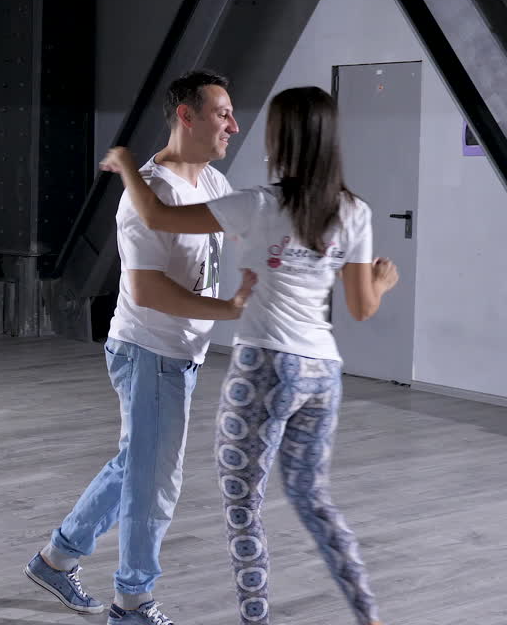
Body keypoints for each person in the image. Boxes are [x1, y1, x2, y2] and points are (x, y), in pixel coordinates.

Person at [100, 85, 399, 625]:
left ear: (281, 139)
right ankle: (369, 615)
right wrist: (381, 281)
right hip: (322, 372)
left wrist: (125, 164)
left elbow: (158, 216)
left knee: (243, 508)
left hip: (264, 367)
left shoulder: (258, 204)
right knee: (314, 500)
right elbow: (361, 308)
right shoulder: (356, 211)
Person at [24, 70, 256, 625]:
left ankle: (57, 559)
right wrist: (228, 310)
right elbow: (149, 290)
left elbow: (244, 232)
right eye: (222, 114)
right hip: (150, 351)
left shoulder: (212, 183)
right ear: (186, 116)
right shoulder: (148, 193)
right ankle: (132, 602)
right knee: (155, 483)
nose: (233, 125)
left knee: (136, 466)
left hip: (181, 354)